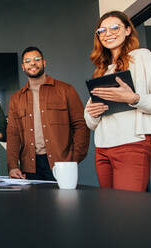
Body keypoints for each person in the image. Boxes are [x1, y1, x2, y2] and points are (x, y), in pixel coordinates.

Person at [84, 11, 151, 192]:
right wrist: (93, 113)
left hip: (132, 144)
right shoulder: (102, 70)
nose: (108, 33)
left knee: (127, 210)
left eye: (115, 27)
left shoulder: (143, 57)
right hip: (102, 148)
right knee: (110, 209)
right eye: (102, 30)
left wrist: (134, 98)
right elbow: (90, 120)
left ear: (128, 30)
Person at [7, 46, 89, 180]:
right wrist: (13, 166)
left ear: (44, 63)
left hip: (61, 163)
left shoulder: (65, 90)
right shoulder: (16, 98)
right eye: (27, 61)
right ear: (23, 67)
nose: (32, 63)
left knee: (64, 201)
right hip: (29, 166)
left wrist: (73, 158)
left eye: (36, 59)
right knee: (32, 201)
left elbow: (81, 125)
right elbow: (13, 134)